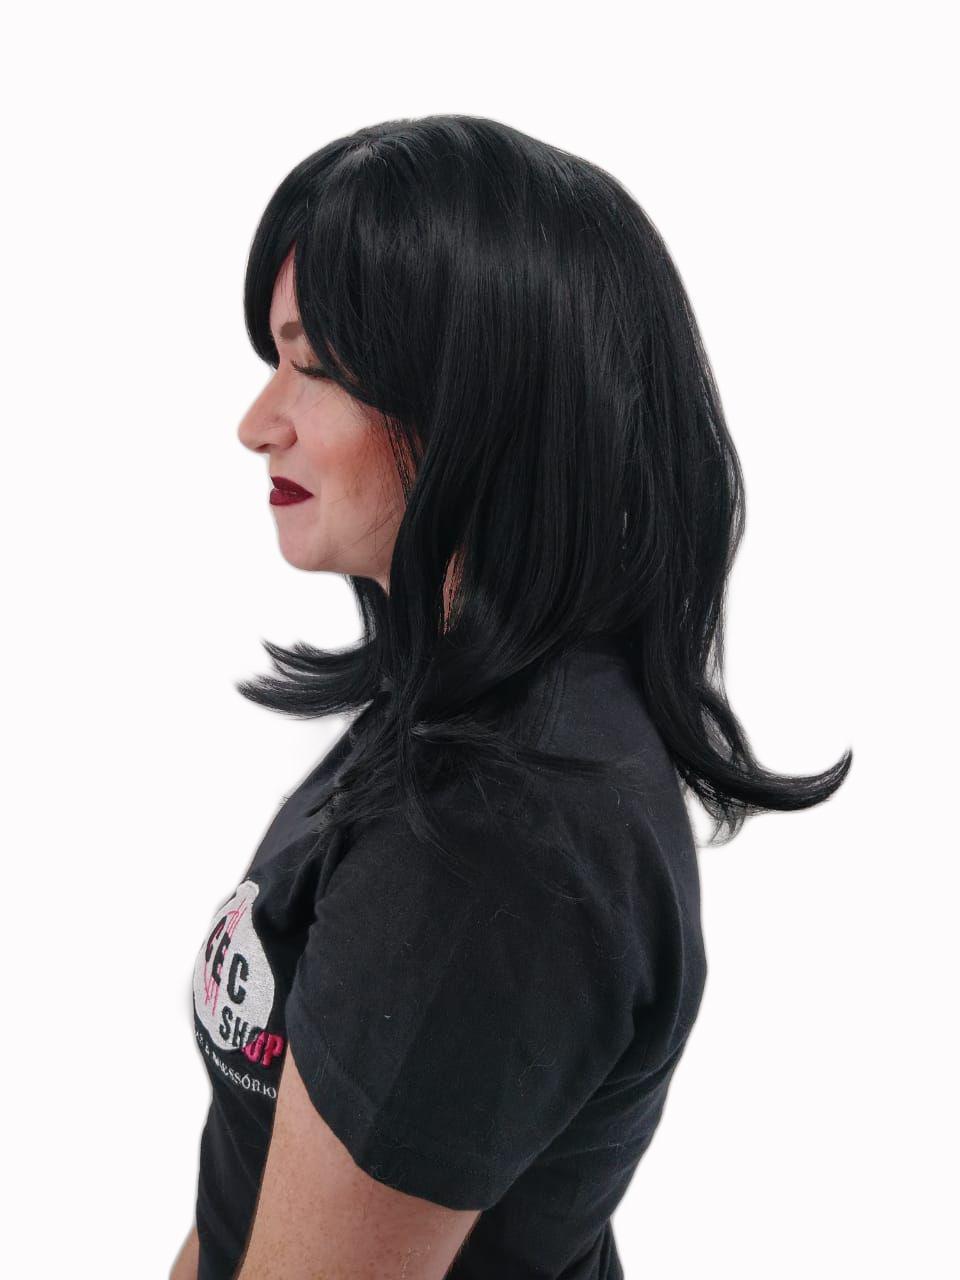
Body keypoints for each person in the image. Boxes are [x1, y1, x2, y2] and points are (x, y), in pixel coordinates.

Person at [170, 114, 852, 1280]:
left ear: (475, 404)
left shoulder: (488, 840)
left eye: (312, 366)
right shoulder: (463, 704)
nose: (257, 423)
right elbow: (251, 1167)